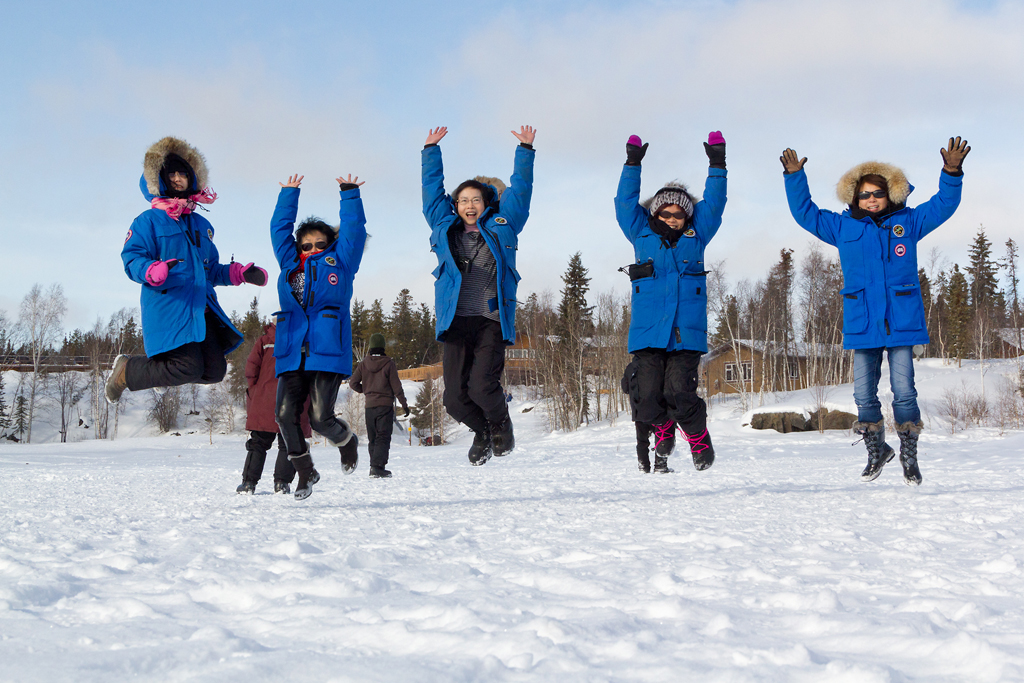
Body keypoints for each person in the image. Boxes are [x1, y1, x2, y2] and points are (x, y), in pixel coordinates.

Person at [780, 137, 970, 485]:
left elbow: (944, 204)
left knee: (904, 390)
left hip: (901, 320)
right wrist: (794, 177)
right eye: (864, 194)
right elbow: (805, 213)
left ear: (890, 195)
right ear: (855, 197)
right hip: (862, 321)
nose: (871, 199)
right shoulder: (842, 227)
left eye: (877, 194)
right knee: (863, 393)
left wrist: (951, 171)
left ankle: (909, 453)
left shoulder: (908, 223)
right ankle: (877, 449)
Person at [106, 136, 268, 403]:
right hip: (170, 307)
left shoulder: (201, 225)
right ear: (159, 179)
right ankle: (128, 370)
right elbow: (131, 257)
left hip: (201, 310)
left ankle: (158, 373)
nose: (179, 178)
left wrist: (240, 273)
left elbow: (211, 270)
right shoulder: (149, 221)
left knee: (215, 372)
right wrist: (150, 270)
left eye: (184, 173)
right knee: (188, 367)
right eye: (172, 174)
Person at [421, 126, 536, 465]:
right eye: (463, 200)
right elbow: (431, 192)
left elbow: (522, 190)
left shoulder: (504, 223)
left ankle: (502, 424)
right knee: (454, 400)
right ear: (455, 205)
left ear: (487, 203)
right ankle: (483, 431)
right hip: (455, 322)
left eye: (476, 200)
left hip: (490, 319)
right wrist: (430, 152)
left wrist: (525, 150)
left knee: (481, 387)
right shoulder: (443, 225)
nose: (469, 206)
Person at [614, 132, 727, 473]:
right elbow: (623, 203)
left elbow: (715, 202)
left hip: (685, 335)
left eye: (679, 214)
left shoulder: (698, 235)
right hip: (648, 334)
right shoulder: (640, 234)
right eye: (665, 213)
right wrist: (633, 164)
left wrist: (717, 164)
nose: (673, 218)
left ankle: (697, 438)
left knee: (679, 391)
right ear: (655, 213)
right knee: (646, 397)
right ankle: (663, 430)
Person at [271, 173, 366, 500]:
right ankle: (305, 470)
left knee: (320, 418)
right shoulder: (288, 265)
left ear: (330, 247)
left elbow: (353, 232)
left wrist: (349, 194)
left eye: (319, 245)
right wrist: (289, 195)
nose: (312, 250)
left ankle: (346, 440)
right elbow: (278, 232)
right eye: (306, 245)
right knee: (283, 415)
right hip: (291, 351)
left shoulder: (341, 261)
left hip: (326, 351)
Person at [236, 322, 312, 495]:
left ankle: (248, 483)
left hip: (265, 397)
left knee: (258, 443)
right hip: (293, 397)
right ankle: (282, 484)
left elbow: (251, 368)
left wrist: (256, 389)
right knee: (289, 442)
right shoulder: (304, 340)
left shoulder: (265, 340)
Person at [349, 333, 410, 479]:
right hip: (384, 406)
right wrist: (404, 404)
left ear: (370, 347)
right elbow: (397, 387)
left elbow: (352, 383)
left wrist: (367, 391)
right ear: (383, 346)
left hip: (369, 407)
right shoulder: (388, 363)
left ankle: (374, 466)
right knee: (383, 436)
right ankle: (377, 467)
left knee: (373, 438)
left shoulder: (364, 364)